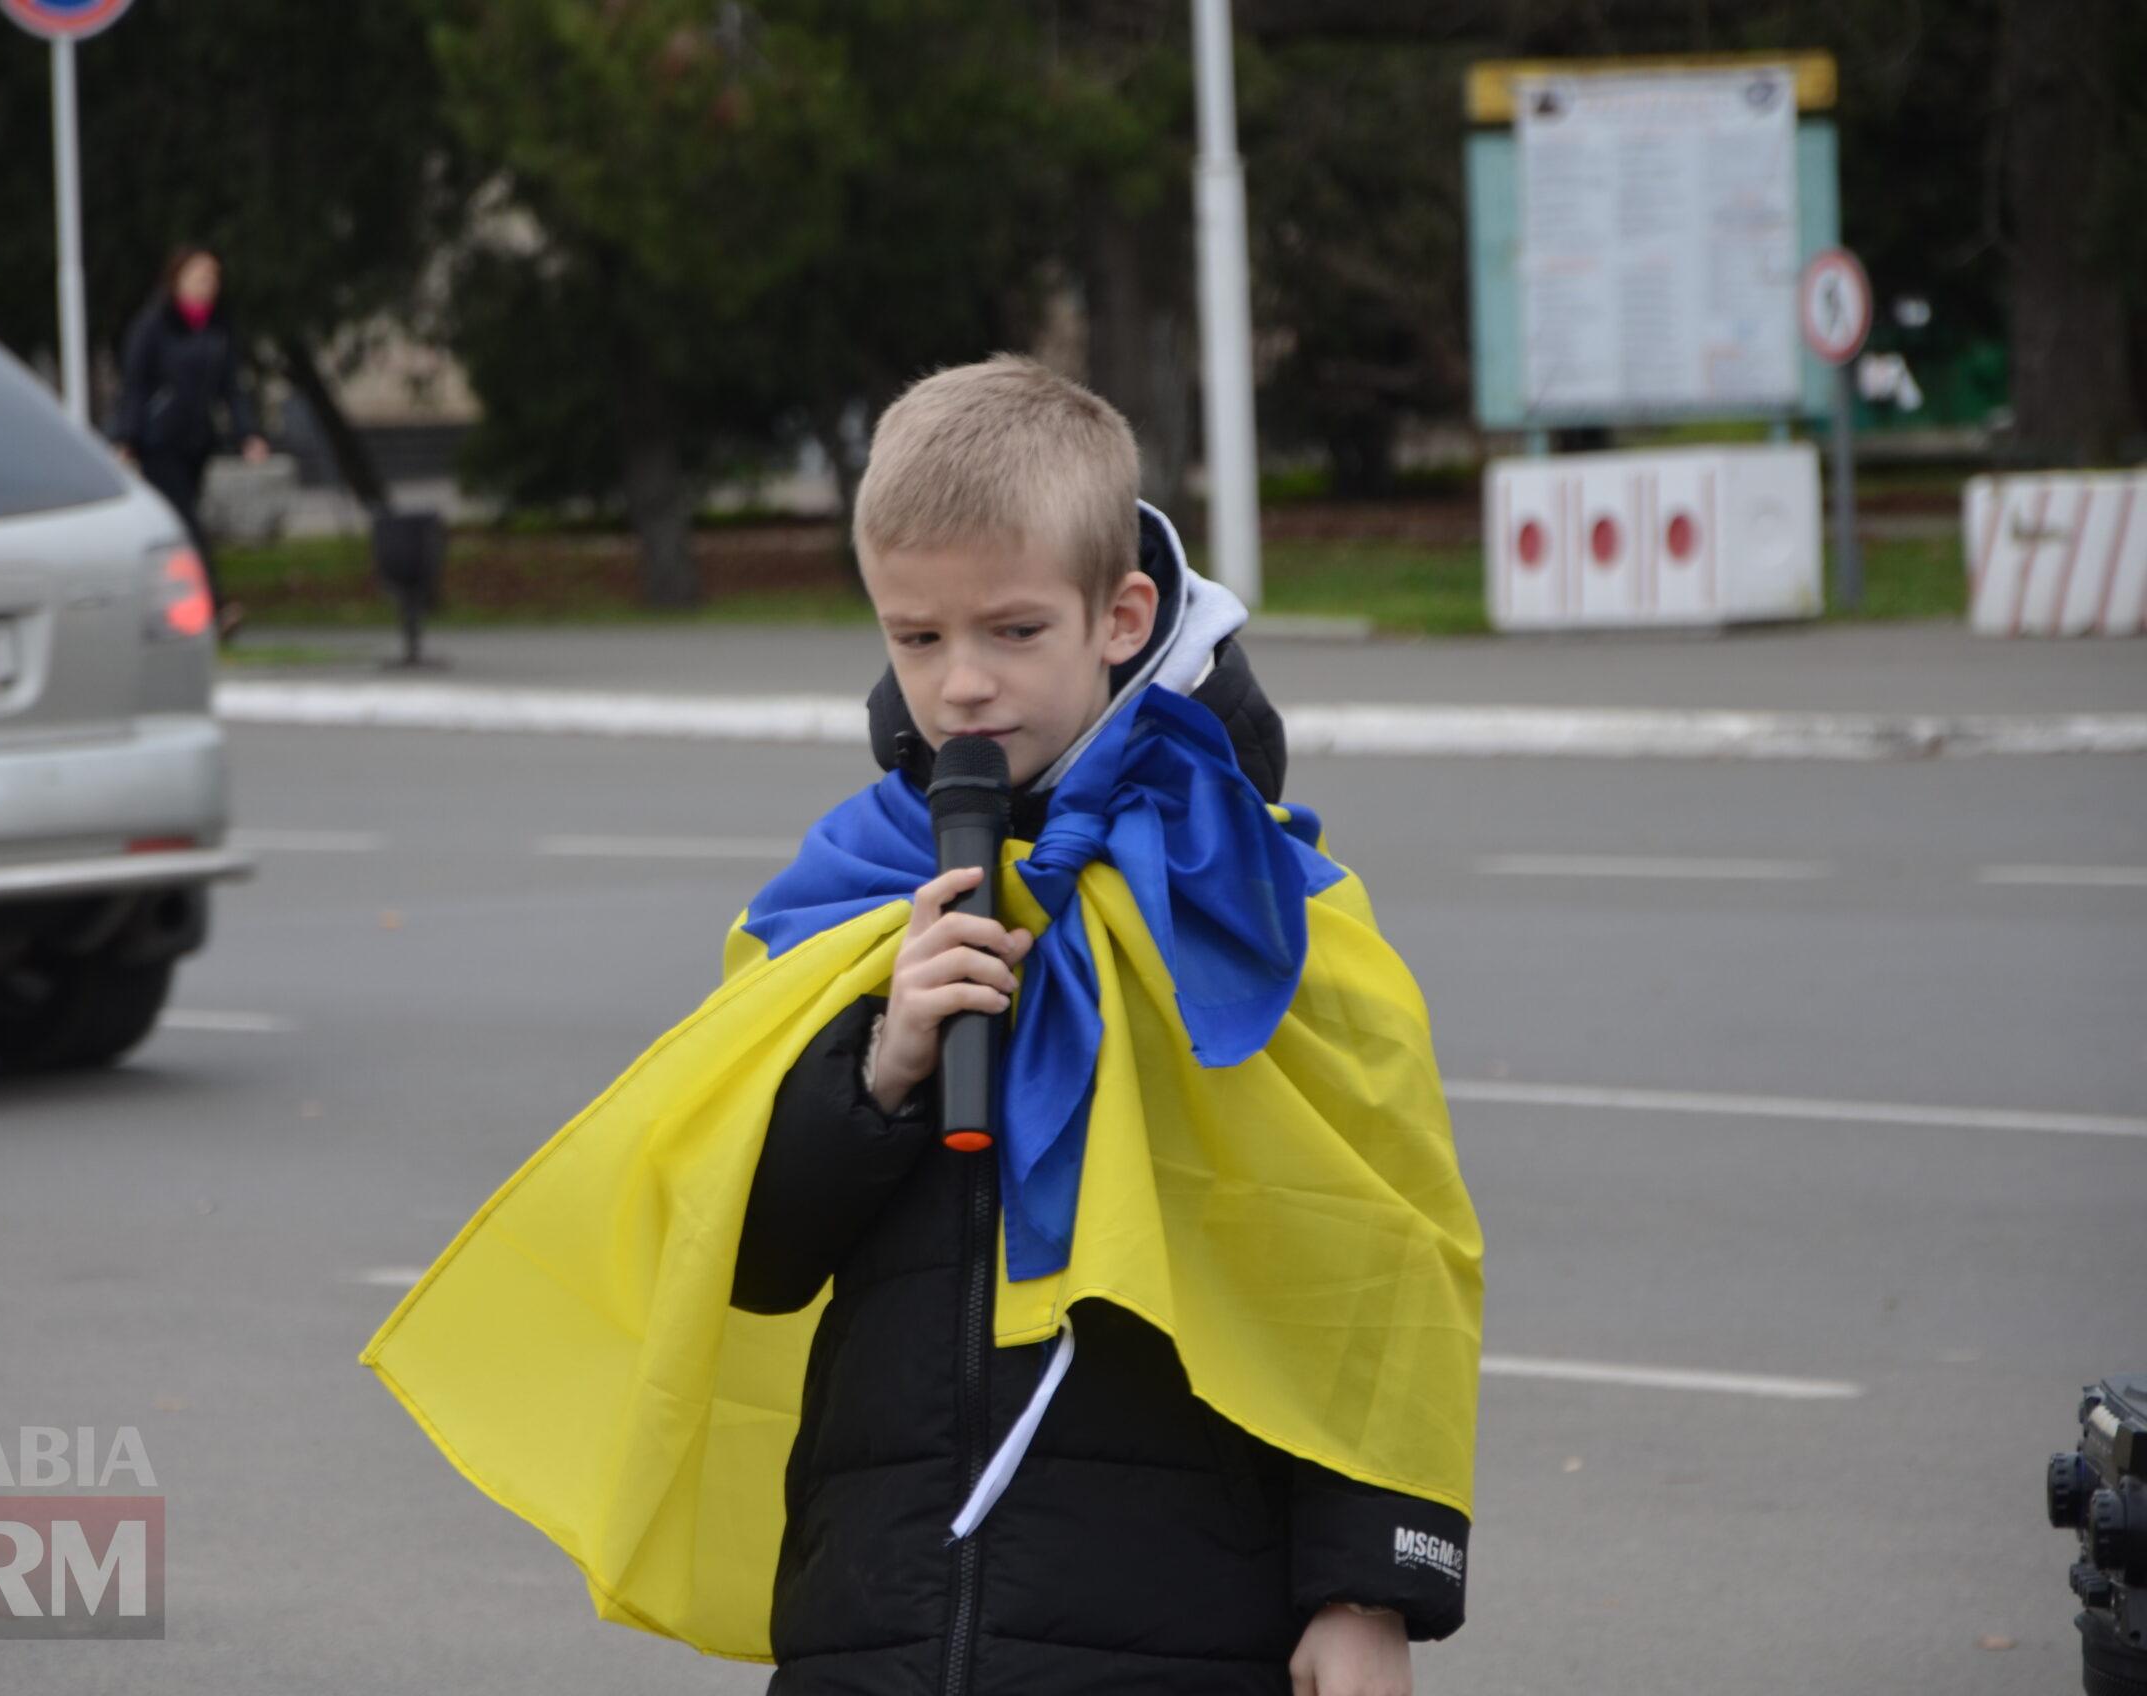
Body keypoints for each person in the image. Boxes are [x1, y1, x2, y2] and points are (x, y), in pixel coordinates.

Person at [360, 357, 1483, 1696]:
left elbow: (1374, 1261)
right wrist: (883, 1066)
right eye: (918, 637)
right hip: (876, 1613)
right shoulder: (852, 883)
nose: (960, 686)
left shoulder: (1252, 904)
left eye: (1013, 633)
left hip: (1172, 1615)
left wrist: (1370, 1590)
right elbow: (753, 1246)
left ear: (1121, 613)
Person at [109, 246, 269, 639]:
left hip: (196, 444)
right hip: (158, 442)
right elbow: (135, 386)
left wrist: (247, 433)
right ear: (177, 281)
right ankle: (215, 606)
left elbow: (232, 388)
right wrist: (126, 439)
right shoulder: (154, 326)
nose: (207, 286)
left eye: (213, 278)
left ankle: (166, 611)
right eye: (199, 277)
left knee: (172, 531)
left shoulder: (218, 329)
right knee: (189, 527)